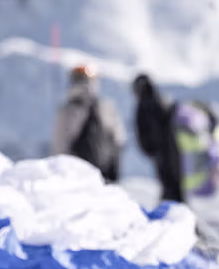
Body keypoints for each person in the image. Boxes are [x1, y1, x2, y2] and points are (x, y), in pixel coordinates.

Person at [52, 62, 124, 182]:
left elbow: (60, 147)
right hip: (104, 174)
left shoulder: (68, 110)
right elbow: (118, 139)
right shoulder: (106, 107)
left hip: (76, 176)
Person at [132, 74, 184, 204]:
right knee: (176, 188)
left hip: (165, 155)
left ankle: (175, 218)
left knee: (170, 188)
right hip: (175, 153)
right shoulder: (161, 100)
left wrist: (152, 149)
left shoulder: (147, 105)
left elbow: (151, 132)